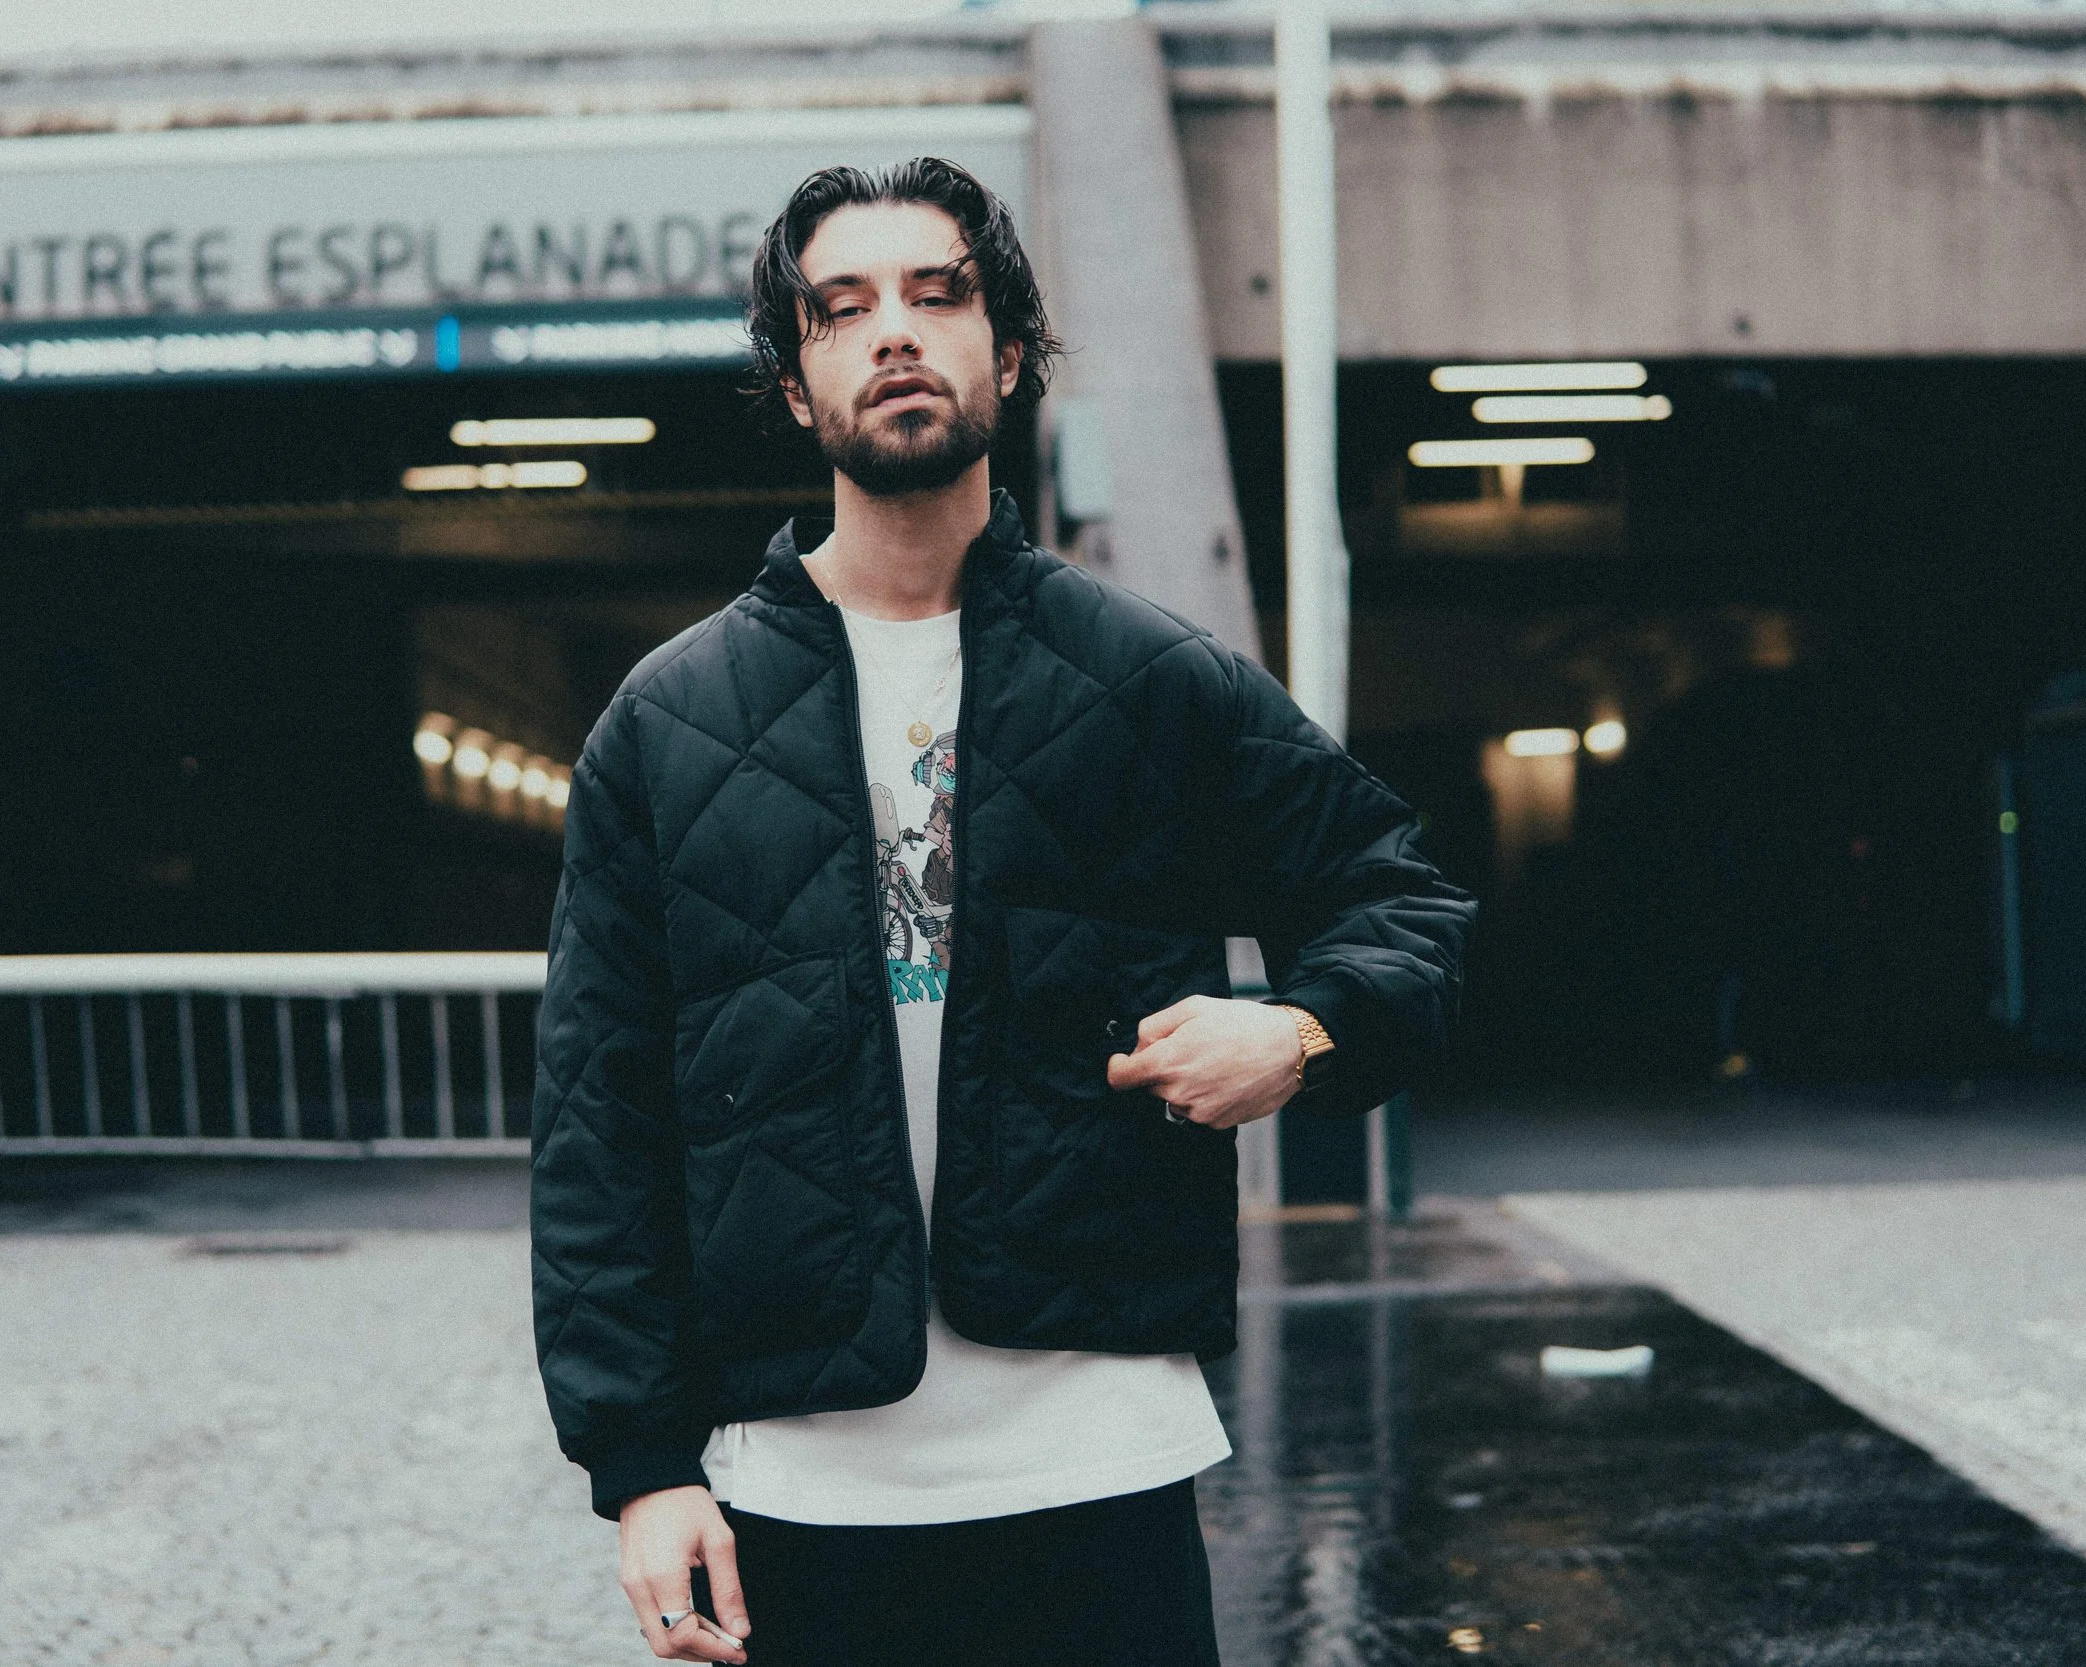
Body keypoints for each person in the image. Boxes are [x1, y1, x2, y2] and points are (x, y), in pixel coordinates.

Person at [531, 157, 1472, 1667]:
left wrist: (1299, 1027)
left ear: (1009, 348)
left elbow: (1404, 902)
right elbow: (601, 1113)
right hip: (805, 1487)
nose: (894, 331)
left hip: (1094, 1458)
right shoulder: (672, 720)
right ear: (796, 385)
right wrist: (639, 1466)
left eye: (938, 292)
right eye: (843, 309)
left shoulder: (1152, 679)